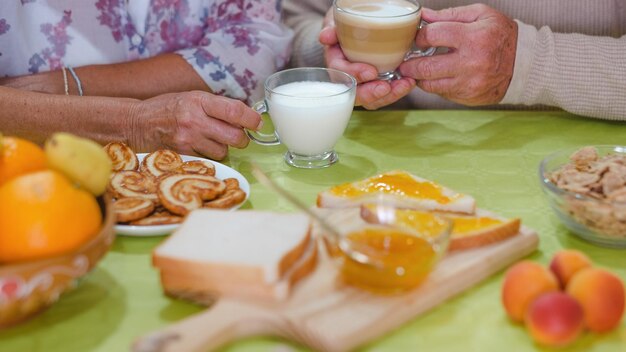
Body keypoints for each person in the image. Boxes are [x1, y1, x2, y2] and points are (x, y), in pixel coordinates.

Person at [0, 1, 292, 159]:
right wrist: (132, 122)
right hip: (30, 184)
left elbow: (253, 45)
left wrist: (68, 85)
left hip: (209, 169)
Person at [283, 1, 626, 120]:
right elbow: (289, 24)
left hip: (581, 164)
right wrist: (338, 55)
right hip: (390, 146)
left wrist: (529, 64)